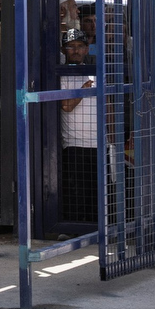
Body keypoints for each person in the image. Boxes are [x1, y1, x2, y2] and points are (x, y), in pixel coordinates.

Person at [58, 30, 99, 224]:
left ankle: (94, 229)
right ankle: (73, 228)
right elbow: (66, 106)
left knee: (96, 191)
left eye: (80, 46)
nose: (75, 50)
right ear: (63, 50)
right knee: (76, 191)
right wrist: (82, 91)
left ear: (87, 49)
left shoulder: (96, 72)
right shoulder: (60, 75)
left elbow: (107, 105)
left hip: (99, 143)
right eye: (71, 46)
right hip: (75, 143)